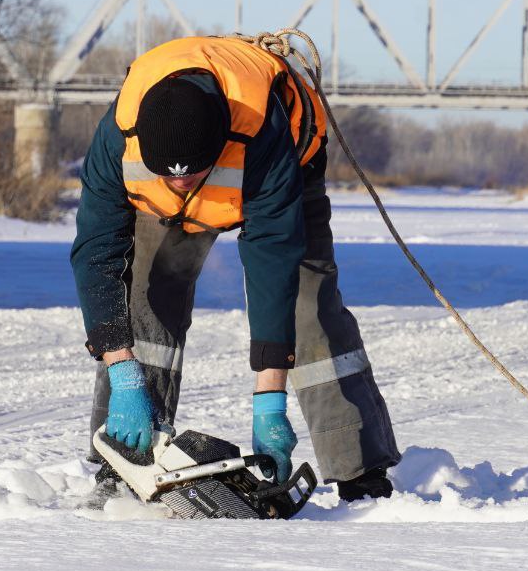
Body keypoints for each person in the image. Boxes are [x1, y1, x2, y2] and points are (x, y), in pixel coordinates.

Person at [70, 35, 400, 501]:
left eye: (192, 173)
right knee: (145, 298)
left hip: (287, 170)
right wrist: (122, 371)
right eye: (170, 173)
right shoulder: (117, 137)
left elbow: (272, 265)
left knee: (308, 309)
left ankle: (360, 469)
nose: (181, 183)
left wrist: (269, 400)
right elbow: (97, 250)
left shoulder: (262, 133)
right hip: (162, 208)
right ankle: (127, 459)